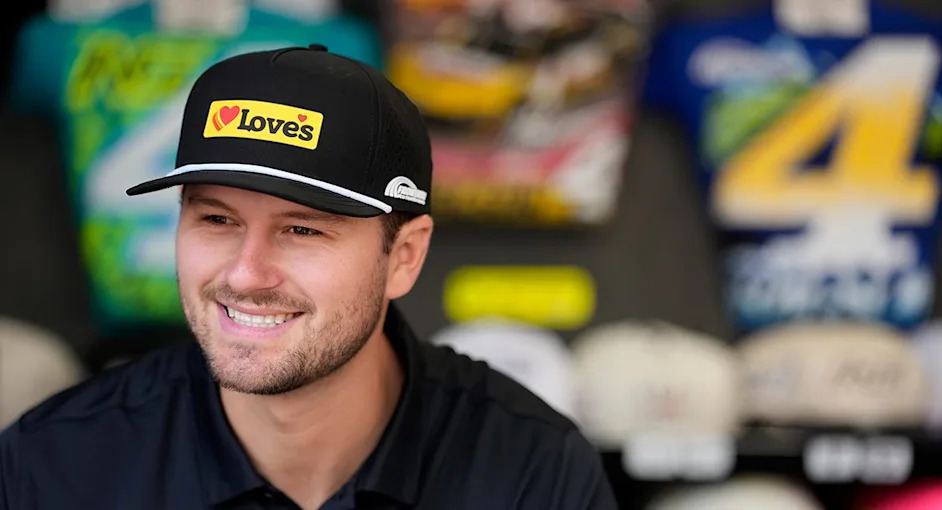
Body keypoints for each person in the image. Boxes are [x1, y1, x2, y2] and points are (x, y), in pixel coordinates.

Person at [0, 44, 616, 510]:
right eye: (217, 219)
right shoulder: (57, 466)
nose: (246, 273)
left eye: (302, 229)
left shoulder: (533, 473)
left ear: (404, 255)